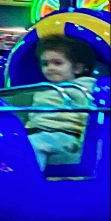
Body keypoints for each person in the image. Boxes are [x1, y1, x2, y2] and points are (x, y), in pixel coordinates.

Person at [25, 35, 98, 170]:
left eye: (57, 63)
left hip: (66, 135)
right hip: (38, 132)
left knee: (34, 144)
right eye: (45, 64)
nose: (50, 68)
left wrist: (86, 142)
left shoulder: (83, 87)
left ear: (77, 68)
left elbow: (90, 115)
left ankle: (29, 180)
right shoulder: (43, 90)